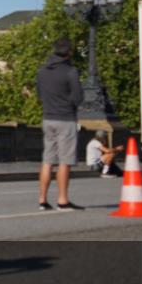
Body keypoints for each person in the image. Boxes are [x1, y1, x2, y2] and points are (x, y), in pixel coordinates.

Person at [35, 37, 85, 210]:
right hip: (66, 118)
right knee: (65, 161)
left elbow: (39, 95)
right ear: (69, 52)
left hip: (48, 118)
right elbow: (78, 98)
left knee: (47, 160)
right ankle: (62, 200)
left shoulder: (42, 71)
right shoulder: (71, 72)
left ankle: (42, 200)